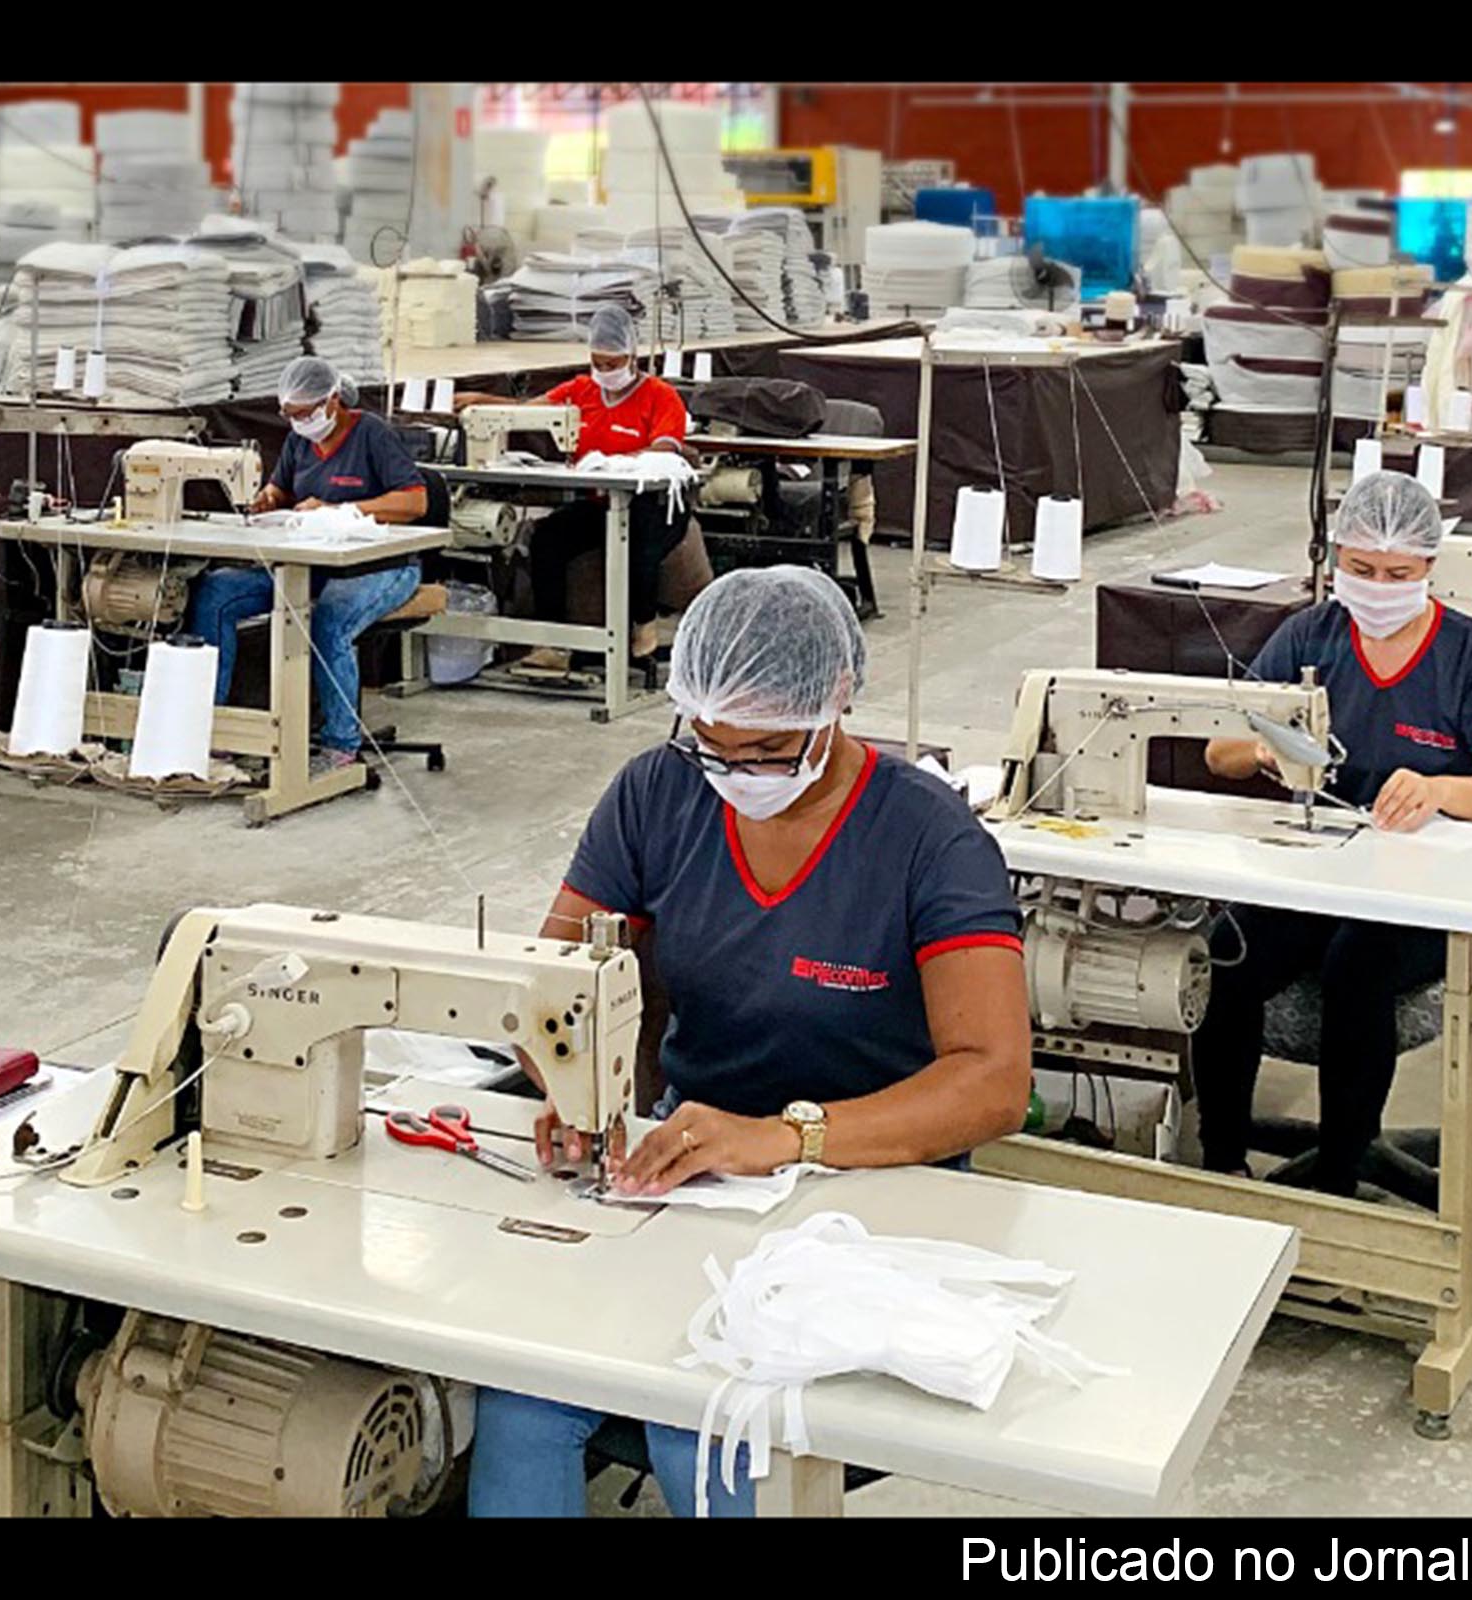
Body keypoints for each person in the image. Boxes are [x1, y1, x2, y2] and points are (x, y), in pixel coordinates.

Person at [464, 567, 1031, 1517]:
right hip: (690, 1178)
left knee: (705, 1429)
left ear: (835, 702)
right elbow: (557, 986)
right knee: (522, 1393)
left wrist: (784, 1134)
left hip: (873, 1194)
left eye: (766, 750)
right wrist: (577, 1096)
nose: (735, 775)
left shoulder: (929, 838)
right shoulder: (657, 795)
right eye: (712, 747)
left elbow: (992, 1083)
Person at [1196, 471, 1472, 1196]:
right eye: (1360, 570)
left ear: (1428, 569)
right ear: (1334, 562)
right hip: (1326, 865)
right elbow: (1218, 750)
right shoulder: (1310, 635)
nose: (1378, 587)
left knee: (1360, 963)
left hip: (1426, 887)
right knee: (1225, 951)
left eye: (1397, 574)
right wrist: (1264, 748)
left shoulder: (1471, 658)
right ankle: (1221, 1161)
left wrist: (1440, 788)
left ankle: (1341, 1185)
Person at [182, 357, 427, 777]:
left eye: (305, 413)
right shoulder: (299, 441)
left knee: (329, 619)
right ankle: (217, 730)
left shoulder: (372, 435)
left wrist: (338, 508)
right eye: (289, 414)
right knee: (216, 593)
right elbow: (281, 487)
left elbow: (415, 502)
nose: (297, 421)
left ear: (332, 401)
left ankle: (340, 745)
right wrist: (266, 499)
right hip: (308, 563)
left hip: (380, 566)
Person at [453, 305, 698, 672]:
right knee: (547, 537)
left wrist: (615, 462)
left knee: (638, 542)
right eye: (597, 363)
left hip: (658, 506)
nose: (604, 372)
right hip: (602, 504)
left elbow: (665, 448)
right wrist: (481, 403)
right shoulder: (581, 390)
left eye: (612, 364)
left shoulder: (660, 396)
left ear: (632, 356)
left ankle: (642, 630)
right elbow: (529, 411)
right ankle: (555, 642)